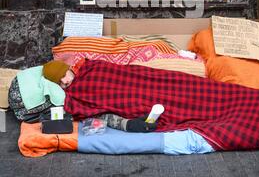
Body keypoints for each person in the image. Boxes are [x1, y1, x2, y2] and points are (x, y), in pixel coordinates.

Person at [9, 60, 156, 132]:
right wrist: (127, 124)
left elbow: (119, 71)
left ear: (68, 68)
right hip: (125, 99)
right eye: (59, 82)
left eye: (64, 76)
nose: (65, 82)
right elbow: (93, 114)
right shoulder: (68, 98)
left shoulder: (88, 65)